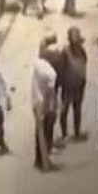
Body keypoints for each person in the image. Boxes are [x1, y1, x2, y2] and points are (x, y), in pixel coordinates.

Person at [31, 38, 59, 171]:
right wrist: (50, 110)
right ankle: (45, 159)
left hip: (35, 102)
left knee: (38, 133)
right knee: (47, 134)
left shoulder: (37, 63)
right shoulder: (51, 73)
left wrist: (46, 42)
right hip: (45, 106)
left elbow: (41, 49)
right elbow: (50, 94)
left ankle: (38, 159)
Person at [57, 26, 88, 140]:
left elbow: (84, 66)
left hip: (79, 85)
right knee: (64, 110)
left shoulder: (82, 51)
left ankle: (77, 132)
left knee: (77, 109)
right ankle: (65, 133)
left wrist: (83, 81)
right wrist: (61, 84)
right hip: (68, 86)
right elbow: (61, 69)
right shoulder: (65, 52)